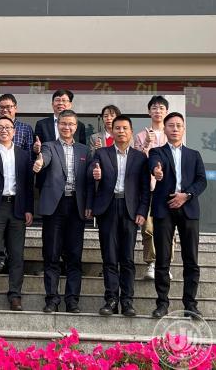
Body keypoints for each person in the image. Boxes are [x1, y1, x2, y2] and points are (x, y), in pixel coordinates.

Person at [86, 115, 150, 317]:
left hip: (130, 211)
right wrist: (95, 174)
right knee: (110, 257)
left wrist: (142, 211)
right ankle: (111, 300)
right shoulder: (101, 153)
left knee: (127, 258)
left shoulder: (140, 157)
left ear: (131, 132)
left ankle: (127, 301)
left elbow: (144, 189)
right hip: (108, 208)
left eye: (124, 128)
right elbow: (91, 174)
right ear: (111, 131)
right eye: (117, 128)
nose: (121, 131)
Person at [147, 112, 207, 319]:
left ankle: (190, 304)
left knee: (191, 259)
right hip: (164, 209)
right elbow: (154, 165)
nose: (174, 129)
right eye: (171, 125)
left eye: (178, 125)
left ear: (183, 129)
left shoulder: (194, 155)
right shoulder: (157, 152)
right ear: (164, 129)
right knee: (162, 259)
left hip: (188, 209)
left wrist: (186, 195)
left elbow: (202, 181)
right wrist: (157, 172)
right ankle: (162, 303)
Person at [33, 109, 89, 313]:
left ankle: (72, 300)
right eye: (63, 123)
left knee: (74, 256)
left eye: (71, 124)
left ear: (76, 127)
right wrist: (40, 162)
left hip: (76, 207)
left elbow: (89, 180)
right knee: (52, 255)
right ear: (58, 125)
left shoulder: (84, 150)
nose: (67, 127)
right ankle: (52, 299)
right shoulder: (49, 146)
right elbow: (45, 158)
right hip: (54, 207)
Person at [0, 116, 34, 311]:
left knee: (17, 256)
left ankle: (15, 296)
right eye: (0, 127)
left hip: (17, 208)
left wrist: (29, 209)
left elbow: (28, 184)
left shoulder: (23, 155)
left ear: (14, 131)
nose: (4, 130)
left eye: (8, 127)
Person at [134, 95, 175, 280]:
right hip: (149, 188)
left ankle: (165, 264)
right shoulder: (140, 136)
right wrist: (147, 144)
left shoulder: (172, 133)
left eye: (161, 108)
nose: (158, 111)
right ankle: (151, 263)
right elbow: (137, 162)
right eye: (154, 108)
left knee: (168, 228)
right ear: (149, 111)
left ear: (166, 111)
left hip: (169, 189)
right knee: (149, 227)